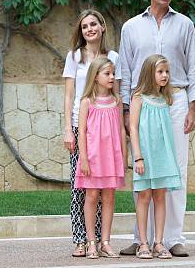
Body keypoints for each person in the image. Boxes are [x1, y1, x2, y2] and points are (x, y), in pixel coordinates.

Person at [117, 0, 195, 257]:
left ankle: (172, 238)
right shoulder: (131, 27)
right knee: (143, 170)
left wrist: (194, 106)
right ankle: (141, 237)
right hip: (142, 104)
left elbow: (194, 67)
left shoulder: (185, 25)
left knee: (175, 171)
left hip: (175, 101)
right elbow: (125, 71)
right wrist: (126, 110)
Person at [62, 9, 118, 257]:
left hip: (105, 127)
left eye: (94, 24)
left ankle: (99, 240)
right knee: (81, 187)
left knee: (102, 188)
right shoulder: (74, 56)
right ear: (81, 31)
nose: (90, 29)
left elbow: (117, 91)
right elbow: (69, 95)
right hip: (80, 125)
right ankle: (80, 239)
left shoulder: (113, 56)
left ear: (102, 27)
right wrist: (68, 129)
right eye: (85, 26)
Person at [129, 54, 182, 259]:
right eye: (160, 72)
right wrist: (138, 157)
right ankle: (143, 243)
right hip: (145, 156)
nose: (165, 75)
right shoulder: (138, 97)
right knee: (144, 197)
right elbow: (133, 128)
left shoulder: (165, 99)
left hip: (162, 157)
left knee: (160, 197)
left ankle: (159, 243)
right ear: (149, 73)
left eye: (167, 72)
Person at [74, 57, 127, 259]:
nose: (112, 77)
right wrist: (84, 159)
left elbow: (121, 130)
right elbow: (83, 131)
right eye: (107, 74)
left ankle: (106, 242)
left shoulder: (117, 101)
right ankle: (91, 241)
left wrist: (123, 156)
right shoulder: (87, 102)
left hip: (111, 157)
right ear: (95, 77)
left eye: (113, 73)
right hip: (93, 158)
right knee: (91, 196)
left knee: (109, 197)